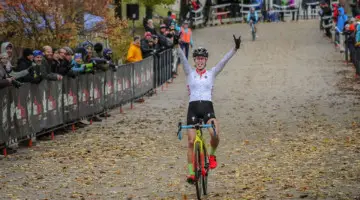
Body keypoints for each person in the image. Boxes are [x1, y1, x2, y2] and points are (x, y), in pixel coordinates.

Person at [173, 32, 241, 183]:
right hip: (193, 109)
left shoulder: (211, 73)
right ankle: (191, 173)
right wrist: (177, 45)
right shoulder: (189, 72)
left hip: (208, 109)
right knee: (191, 142)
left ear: (206, 60)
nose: (200, 61)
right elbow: (183, 58)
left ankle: (212, 155)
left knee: (215, 134)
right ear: (195, 60)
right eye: (197, 59)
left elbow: (223, 61)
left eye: (202, 59)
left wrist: (234, 48)